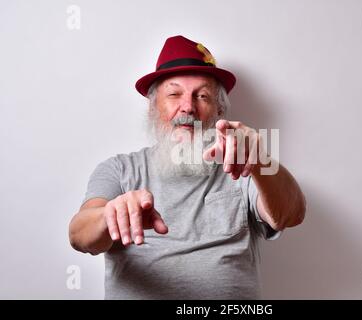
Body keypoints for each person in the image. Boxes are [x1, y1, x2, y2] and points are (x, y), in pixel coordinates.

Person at [68, 35, 306, 299]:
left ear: (218, 110)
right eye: (174, 93)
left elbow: (290, 214)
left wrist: (261, 160)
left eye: (202, 96)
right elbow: (80, 236)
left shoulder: (243, 168)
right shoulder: (120, 169)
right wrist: (110, 215)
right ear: (152, 107)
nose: (188, 107)